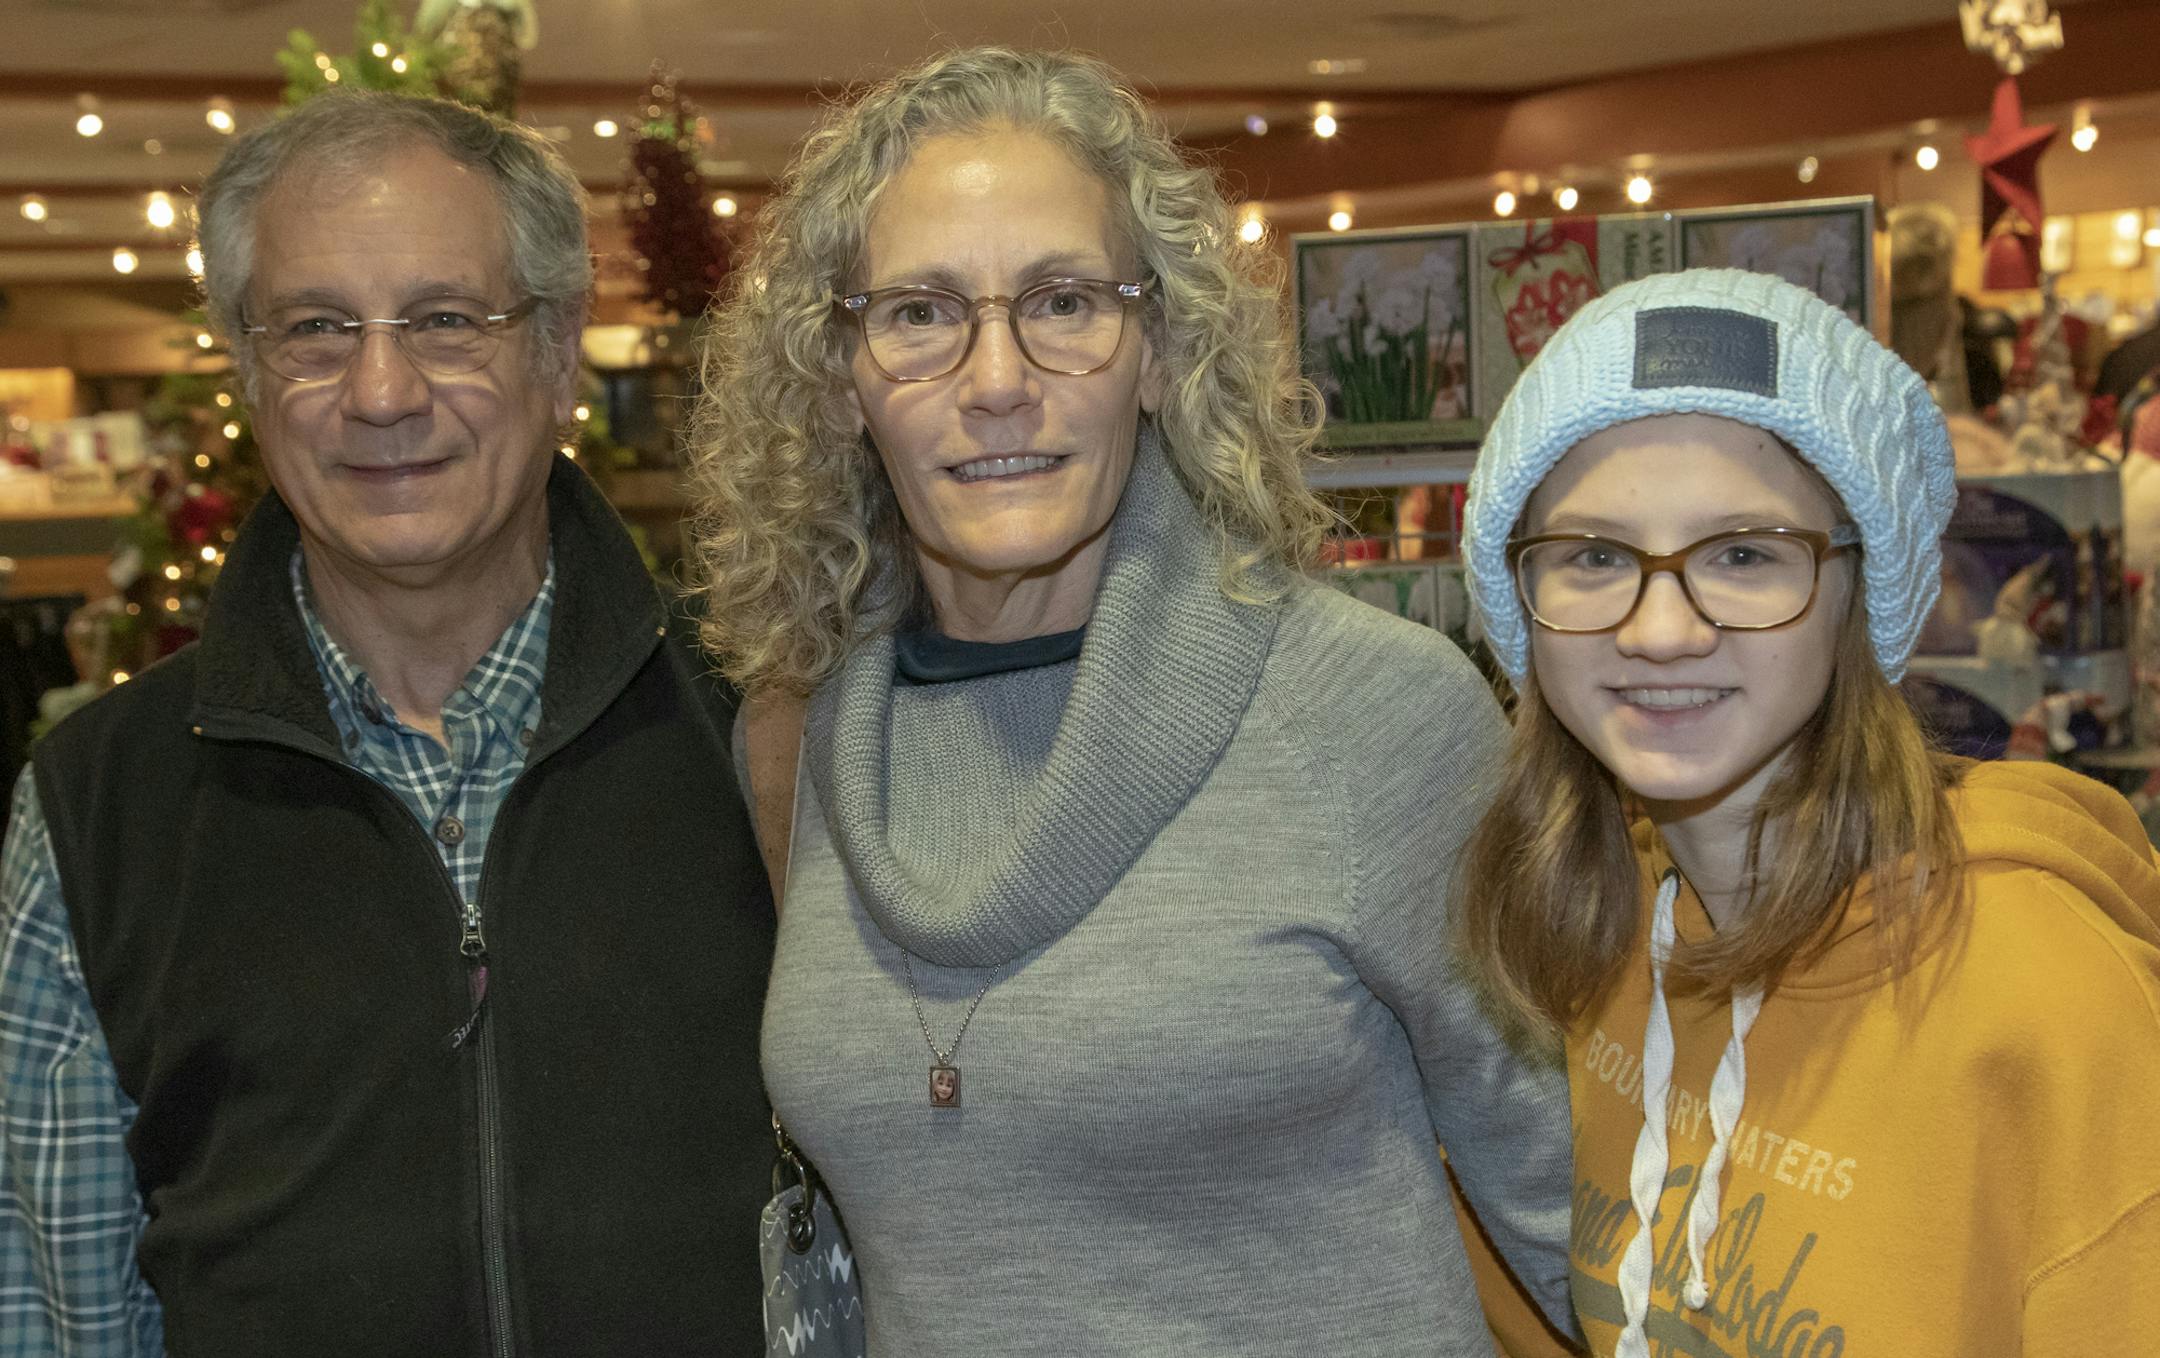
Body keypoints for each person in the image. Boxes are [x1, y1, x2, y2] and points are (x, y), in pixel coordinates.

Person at [688, 45, 1577, 1357]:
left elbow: (1589, 1224)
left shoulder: (1370, 716)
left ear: (1157, 350)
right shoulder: (816, 737)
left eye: (1063, 301)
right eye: (920, 312)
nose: (996, 376)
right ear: (842, 377)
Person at [0, 91, 775, 1357]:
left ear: (559, 340)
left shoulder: (768, 727)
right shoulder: (98, 805)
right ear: (248, 366)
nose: (380, 389)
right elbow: (56, 1307)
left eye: (445, 319)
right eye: (314, 329)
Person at [1458, 268, 2160, 1356]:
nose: (1659, 628)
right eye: (1595, 554)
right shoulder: (1604, 925)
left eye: (1743, 554)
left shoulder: (2052, 997)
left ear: (1859, 590)